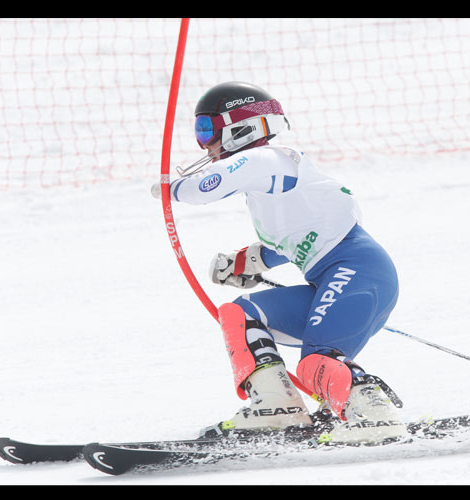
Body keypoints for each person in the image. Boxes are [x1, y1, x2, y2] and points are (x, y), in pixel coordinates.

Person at [153, 82, 405, 443]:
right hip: (336, 276)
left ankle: (374, 413)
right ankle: (278, 406)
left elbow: (202, 188)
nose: (203, 143)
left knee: (315, 362)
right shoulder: (267, 187)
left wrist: (168, 187)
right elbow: (290, 243)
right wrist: (247, 263)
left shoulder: (267, 159)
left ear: (239, 126)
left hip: (360, 272)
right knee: (240, 313)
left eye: (207, 128)